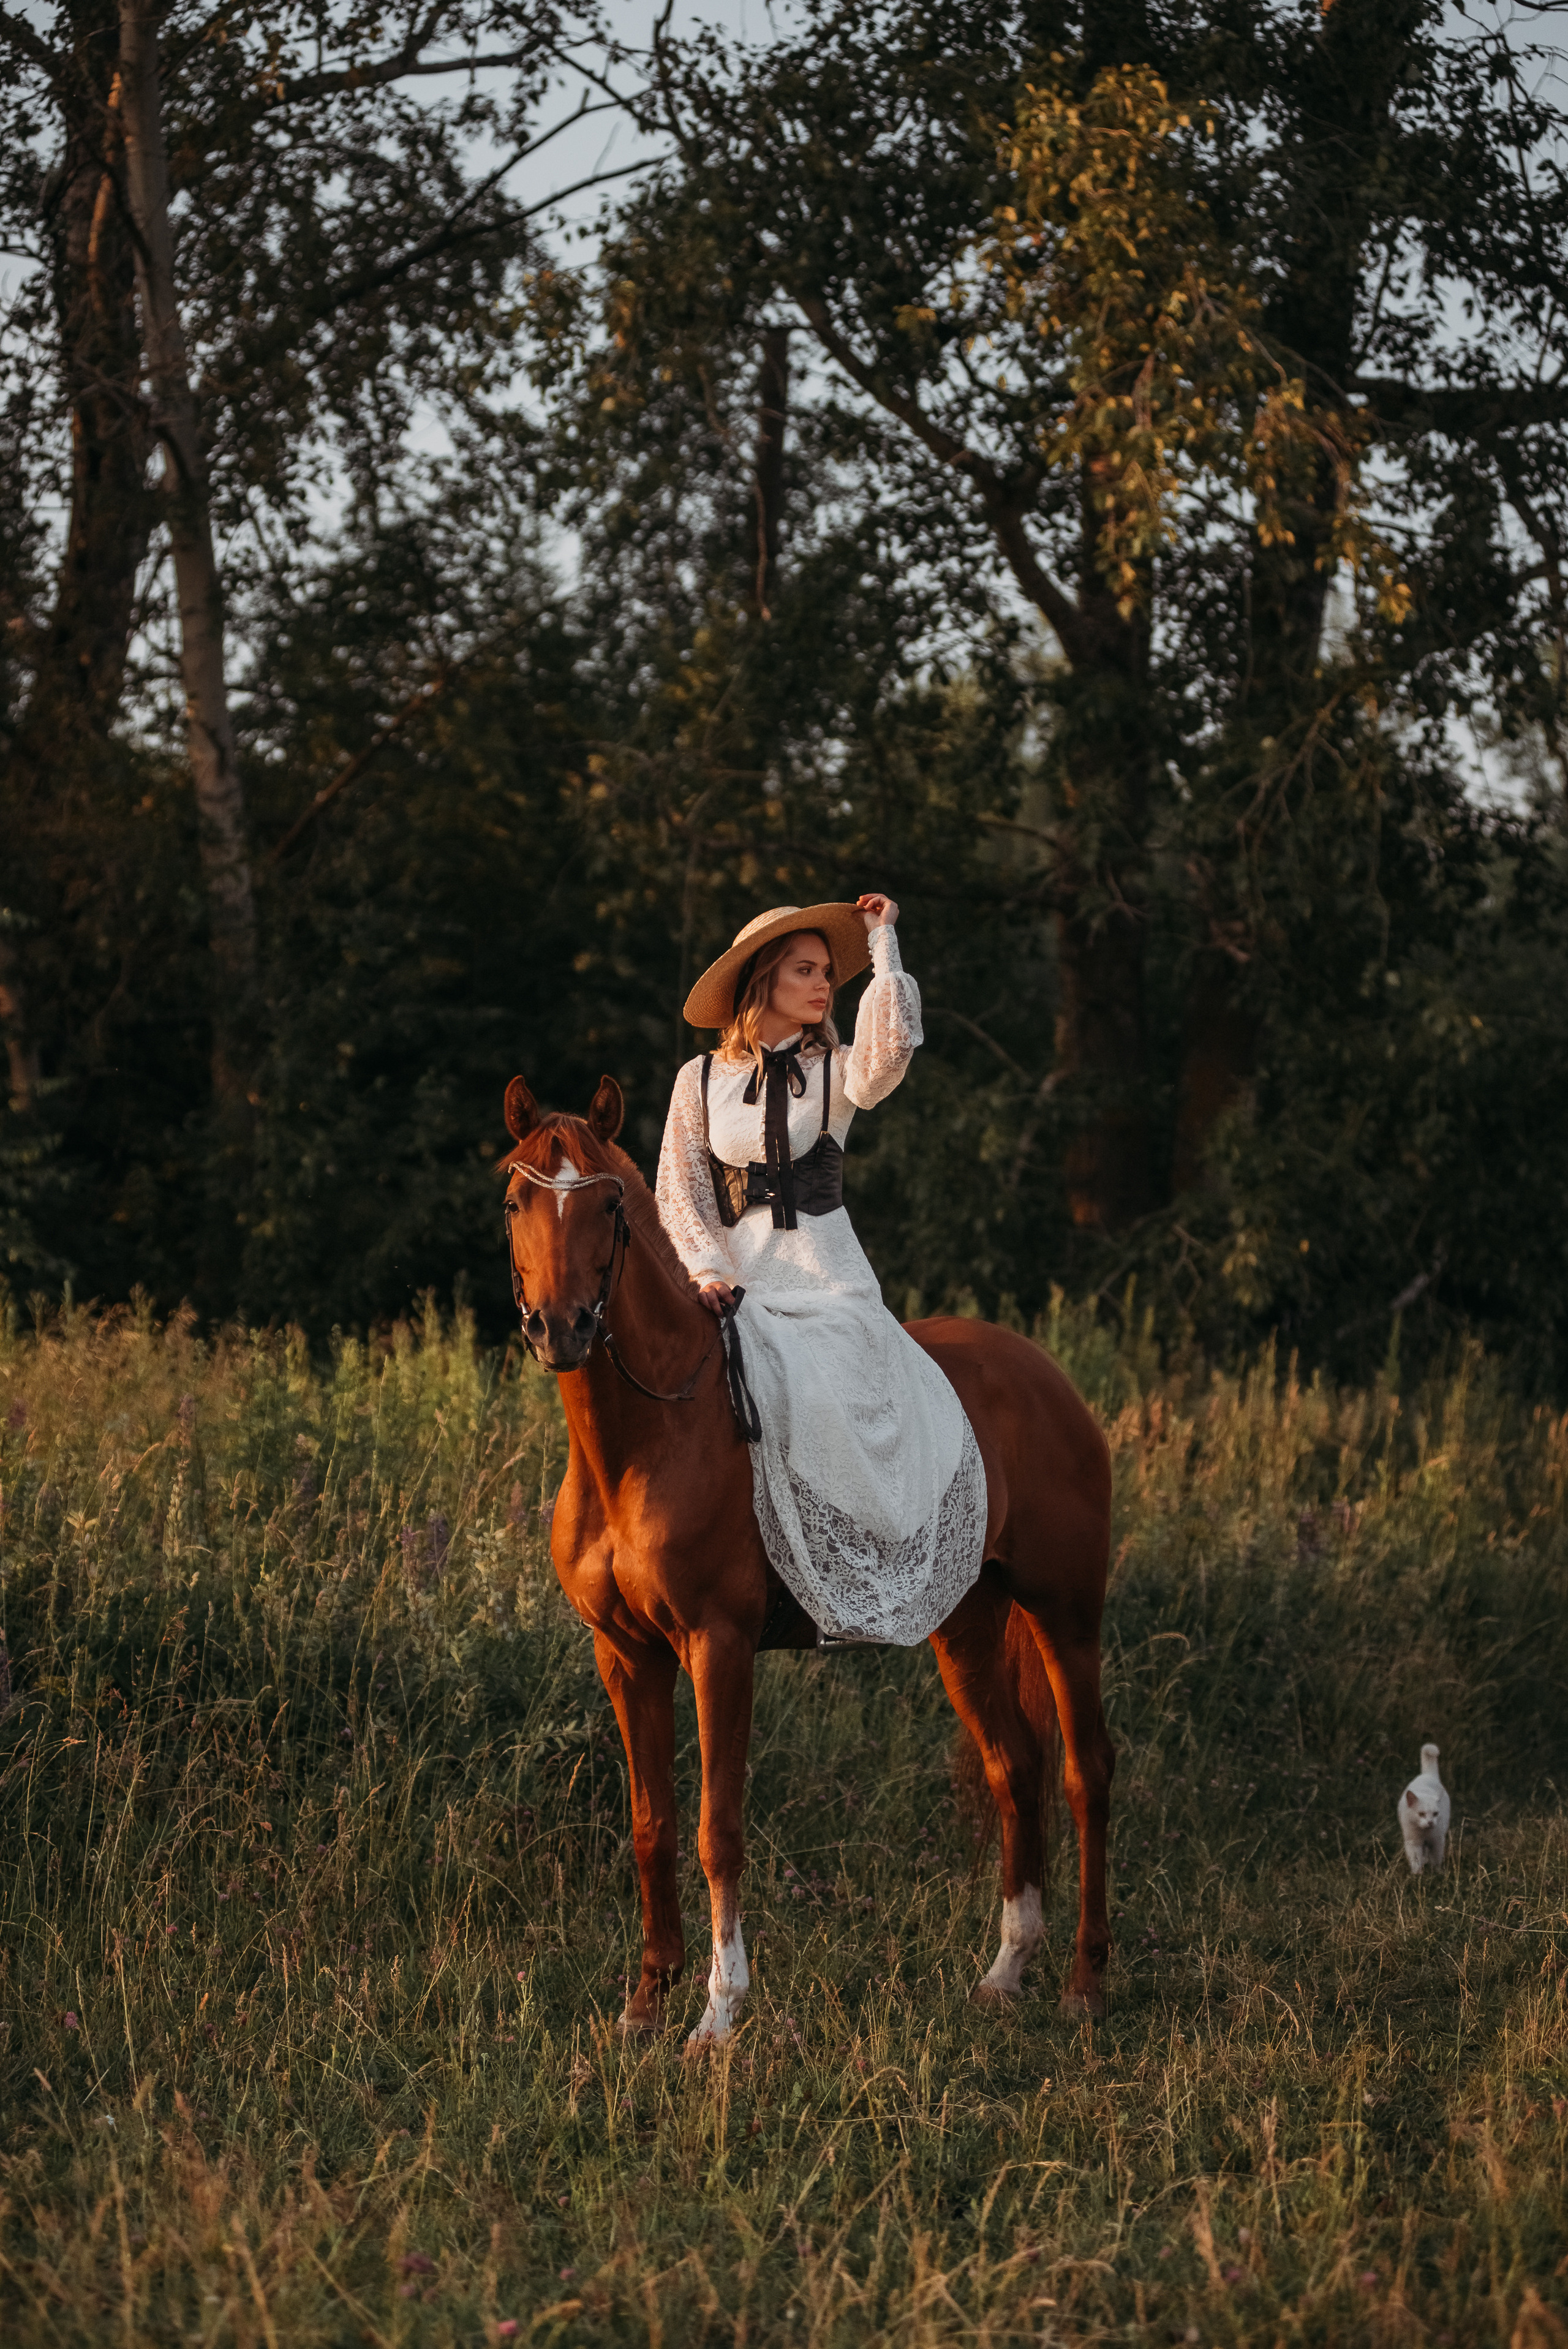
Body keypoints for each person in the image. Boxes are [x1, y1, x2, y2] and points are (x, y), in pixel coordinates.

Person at [655, 895, 986, 1644]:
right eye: (804, 971)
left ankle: (857, 1568)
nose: (820, 987)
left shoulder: (838, 1071)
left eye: (828, 975)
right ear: (764, 979)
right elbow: (678, 1190)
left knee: (838, 1371)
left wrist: (884, 944)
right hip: (738, 1280)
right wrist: (707, 1270)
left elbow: (891, 1049)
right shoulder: (698, 1079)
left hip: (826, 1277)